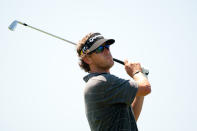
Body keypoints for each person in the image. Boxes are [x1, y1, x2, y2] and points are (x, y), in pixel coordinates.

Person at [76, 32, 151, 131]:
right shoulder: (101, 82)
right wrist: (136, 72)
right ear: (87, 59)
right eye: (100, 49)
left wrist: (142, 75)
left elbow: (129, 119)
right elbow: (146, 88)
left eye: (107, 46)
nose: (107, 51)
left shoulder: (104, 84)